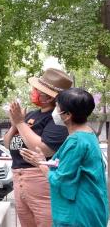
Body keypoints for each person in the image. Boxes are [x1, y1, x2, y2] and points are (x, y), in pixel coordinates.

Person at [20, 88, 109, 227]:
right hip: (91, 209)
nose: (55, 111)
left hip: (78, 214)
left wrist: (40, 164)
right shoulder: (88, 135)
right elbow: (69, 167)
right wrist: (45, 160)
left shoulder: (76, 141)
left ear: (67, 115)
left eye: (57, 107)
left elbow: (61, 181)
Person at [3, 68, 73, 227]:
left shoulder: (57, 120)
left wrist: (20, 123)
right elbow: (7, 143)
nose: (32, 92)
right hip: (18, 178)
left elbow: (43, 149)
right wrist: (15, 125)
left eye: (37, 90)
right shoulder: (30, 115)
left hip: (41, 181)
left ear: (49, 97)